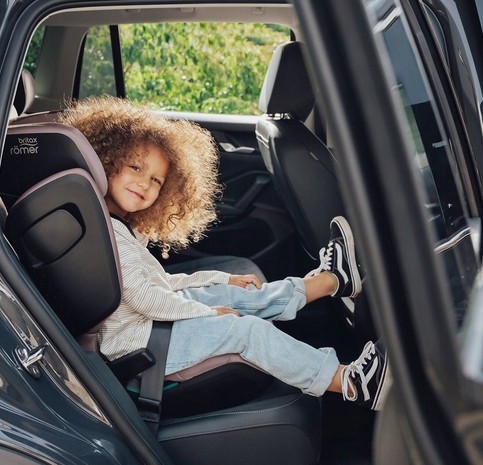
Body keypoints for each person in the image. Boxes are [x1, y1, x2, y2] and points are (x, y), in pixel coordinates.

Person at [60, 96, 390, 411]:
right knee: (247, 331)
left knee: (235, 293)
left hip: (147, 328)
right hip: (138, 346)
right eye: (135, 167)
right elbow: (147, 299)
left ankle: (331, 281)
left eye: (157, 180)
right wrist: (209, 314)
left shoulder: (117, 227)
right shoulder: (110, 232)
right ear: (106, 160)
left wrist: (221, 280)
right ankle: (352, 383)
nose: (145, 184)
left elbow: (160, 284)